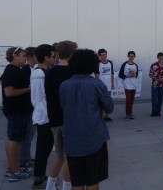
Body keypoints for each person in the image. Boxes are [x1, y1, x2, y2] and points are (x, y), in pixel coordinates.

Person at [60, 49, 114, 190]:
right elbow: (109, 106)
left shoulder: (64, 85)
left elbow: (64, 107)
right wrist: (103, 111)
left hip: (72, 140)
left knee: (76, 182)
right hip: (94, 138)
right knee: (92, 181)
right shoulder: (97, 84)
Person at [45, 40, 78, 190]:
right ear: (72, 54)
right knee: (71, 159)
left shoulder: (50, 72)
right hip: (69, 121)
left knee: (59, 157)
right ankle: (66, 187)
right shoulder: (74, 73)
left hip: (54, 119)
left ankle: (50, 186)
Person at [0, 47, 33, 182]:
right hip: (17, 111)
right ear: (15, 55)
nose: (26, 58)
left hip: (15, 110)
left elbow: (1, 81)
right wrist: (29, 89)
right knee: (15, 141)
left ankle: (12, 168)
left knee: (12, 139)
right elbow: (9, 92)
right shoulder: (12, 71)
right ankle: (15, 172)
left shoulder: (12, 71)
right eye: (23, 55)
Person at [31, 44, 56, 189]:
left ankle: (39, 175)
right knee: (43, 147)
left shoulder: (43, 71)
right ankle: (38, 177)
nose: (55, 58)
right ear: (46, 57)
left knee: (45, 147)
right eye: (53, 56)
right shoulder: (39, 74)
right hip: (45, 116)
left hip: (46, 114)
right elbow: (40, 98)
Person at [19, 46, 37, 169]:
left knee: (29, 136)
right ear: (30, 56)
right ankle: (24, 160)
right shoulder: (25, 69)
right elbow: (2, 80)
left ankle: (26, 157)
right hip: (27, 108)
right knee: (26, 136)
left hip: (32, 107)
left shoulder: (33, 69)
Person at [149, 52, 163, 117]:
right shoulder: (153, 65)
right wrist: (156, 79)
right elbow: (150, 74)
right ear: (158, 58)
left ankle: (158, 111)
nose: (161, 59)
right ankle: (153, 111)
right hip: (155, 85)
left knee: (160, 99)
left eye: (162, 58)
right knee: (154, 98)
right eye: (160, 58)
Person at [95, 48, 114, 122]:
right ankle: (101, 116)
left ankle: (106, 116)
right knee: (101, 101)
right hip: (101, 86)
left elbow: (112, 73)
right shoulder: (98, 63)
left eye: (105, 54)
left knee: (107, 101)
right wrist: (97, 84)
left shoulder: (110, 62)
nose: (104, 56)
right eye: (102, 55)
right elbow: (96, 74)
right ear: (99, 56)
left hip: (108, 85)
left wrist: (112, 83)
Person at [119, 51, 139, 120]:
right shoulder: (124, 64)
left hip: (133, 85)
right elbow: (120, 75)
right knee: (128, 100)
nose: (131, 57)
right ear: (128, 56)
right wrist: (128, 76)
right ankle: (127, 114)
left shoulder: (135, 65)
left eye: (133, 56)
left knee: (132, 100)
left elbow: (137, 74)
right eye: (130, 56)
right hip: (127, 85)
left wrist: (134, 75)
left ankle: (130, 114)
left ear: (134, 57)